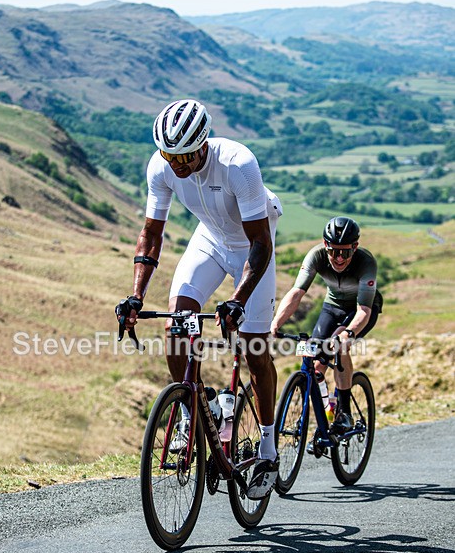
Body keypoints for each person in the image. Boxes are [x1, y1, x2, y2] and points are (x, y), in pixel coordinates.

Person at [117, 98, 283, 499]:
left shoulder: (238, 164)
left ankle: (268, 445)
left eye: (183, 155)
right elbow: (152, 234)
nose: (174, 163)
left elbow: (259, 243)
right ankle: (190, 411)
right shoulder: (161, 166)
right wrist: (136, 295)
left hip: (252, 245)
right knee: (179, 321)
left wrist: (238, 298)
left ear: (203, 144)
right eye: (167, 154)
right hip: (209, 239)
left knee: (253, 347)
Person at [271, 216, 382, 430]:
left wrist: (348, 333)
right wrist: (277, 322)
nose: (339, 259)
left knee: (338, 344)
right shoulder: (316, 256)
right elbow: (297, 292)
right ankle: (324, 411)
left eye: (346, 252)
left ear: (355, 247)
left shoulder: (366, 263)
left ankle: (345, 414)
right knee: (315, 361)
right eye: (333, 251)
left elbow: (364, 310)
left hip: (362, 309)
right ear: (325, 245)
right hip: (332, 306)